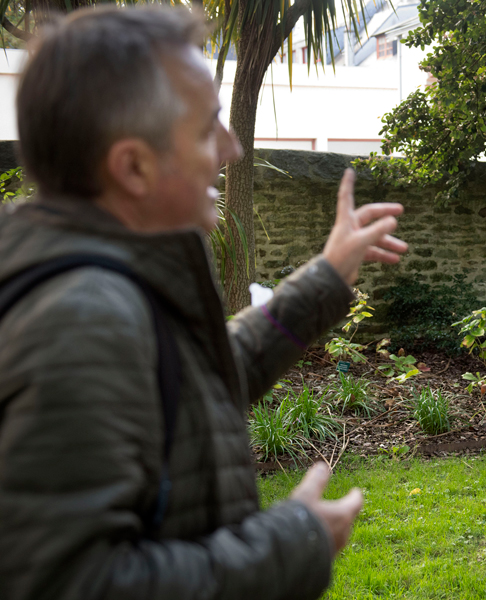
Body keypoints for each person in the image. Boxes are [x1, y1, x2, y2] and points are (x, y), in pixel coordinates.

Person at [0, 6, 407, 600]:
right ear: (133, 167)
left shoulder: (109, 284)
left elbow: (199, 383)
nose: (231, 148)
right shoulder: (81, 318)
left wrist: (330, 273)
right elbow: (73, 583)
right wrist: (292, 544)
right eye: (205, 128)